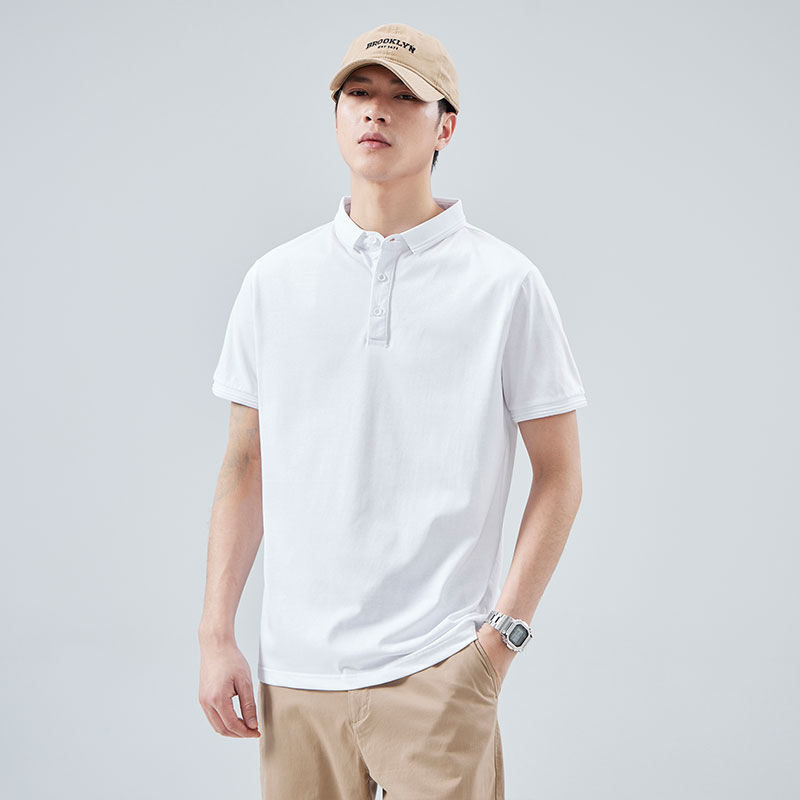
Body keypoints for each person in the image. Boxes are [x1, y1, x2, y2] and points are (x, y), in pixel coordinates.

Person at [198, 21, 588, 800]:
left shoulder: (504, 284)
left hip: (439, 670)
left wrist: (499, 643)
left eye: (403, 97)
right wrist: (216, 635)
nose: (375, 110)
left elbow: (560, 475)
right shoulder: (275, 282)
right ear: (337, 114)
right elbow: (246, 464)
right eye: (358, 93)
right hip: (297, 676)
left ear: (446, 126)